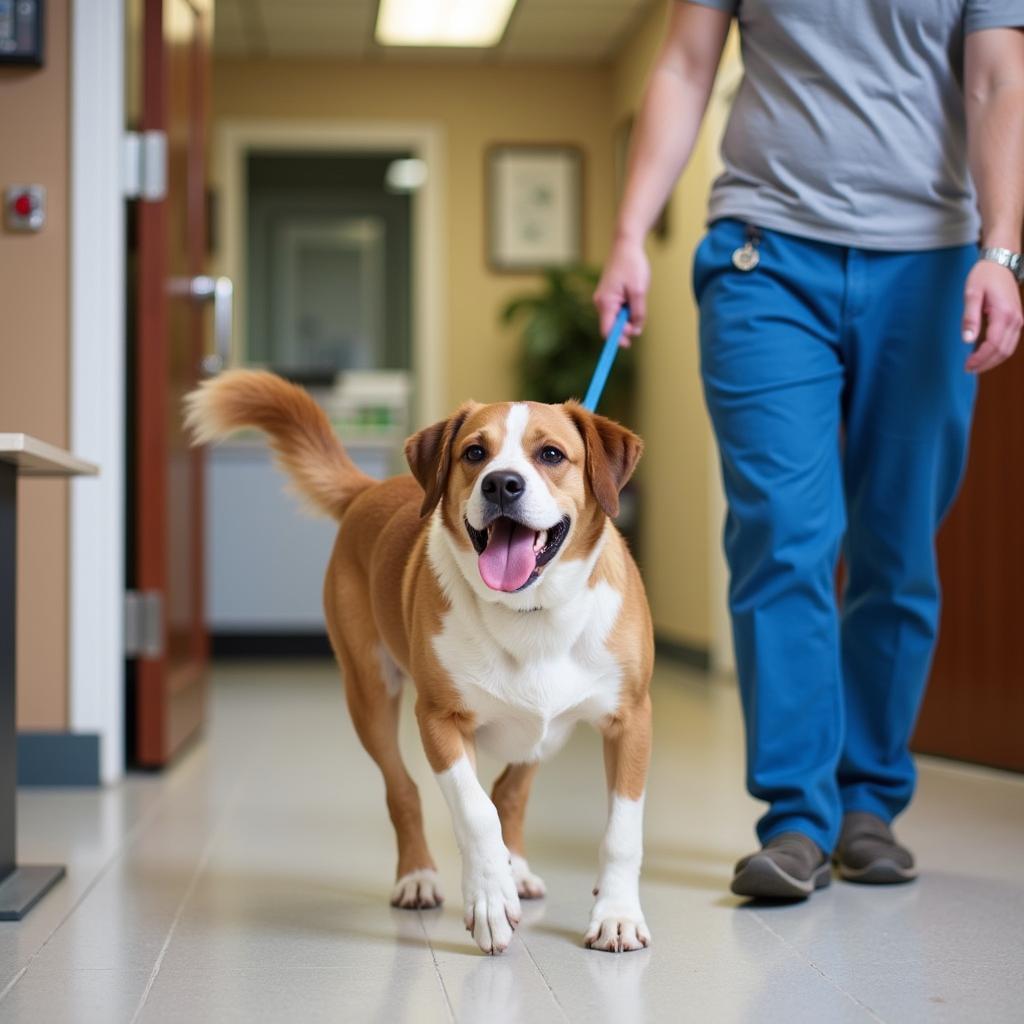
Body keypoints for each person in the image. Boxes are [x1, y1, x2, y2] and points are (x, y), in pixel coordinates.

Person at [596, 0, 1024, 900]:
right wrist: (632, 232)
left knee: (897, 544)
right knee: (783, 532)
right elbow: (682, 65)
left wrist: (1003, 249)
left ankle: (868, 802)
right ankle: (795, 818)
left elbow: (995, 76)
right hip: (766, 256)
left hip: (932, 262)